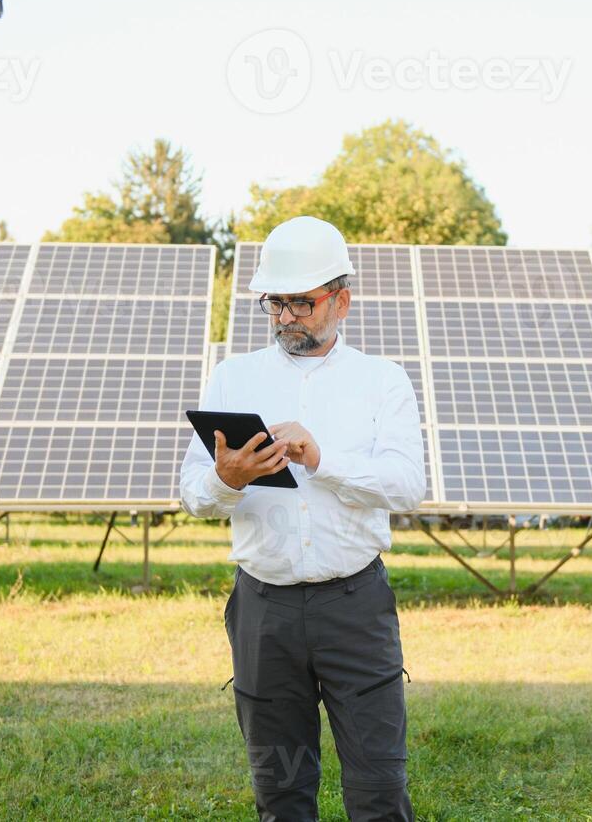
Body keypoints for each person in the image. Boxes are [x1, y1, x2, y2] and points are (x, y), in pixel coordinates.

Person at [179, 216, 426, 822]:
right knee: (281, 792)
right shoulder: (235, 377)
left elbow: (407, 487)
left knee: (377, 789)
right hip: (265, 614)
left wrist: (323, 459)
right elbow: (192, 494)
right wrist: (227, 479)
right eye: (275, 303)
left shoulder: (382, 381)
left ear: (341, 300)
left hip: (355, 608)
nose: (286, 316)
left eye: (301, 303)